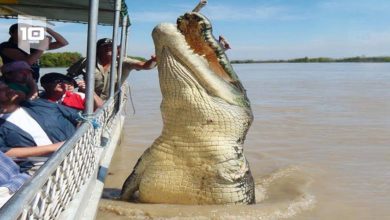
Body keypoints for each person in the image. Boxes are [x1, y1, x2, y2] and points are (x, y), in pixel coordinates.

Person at [0, 81, 80, 171]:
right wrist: (54, 147)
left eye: (7, 87)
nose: (9, 90)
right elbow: (4, 153)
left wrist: (79, 137)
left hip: (76, 155)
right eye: (2, 90)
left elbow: (79, 117)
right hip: (41, 169)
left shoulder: (39, 104)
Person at [67, 38, 157, 100]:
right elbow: (70, 75)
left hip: (111, 102)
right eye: (104, 46)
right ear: (97, 49)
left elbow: (145, 66)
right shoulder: (86, 61)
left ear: (116, 49)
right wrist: (73, 84)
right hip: (88, 99)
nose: (108, 48)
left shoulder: (123, 62)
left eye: (111, 46)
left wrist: (153, 60)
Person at [0, 23, 68, 81]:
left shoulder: (31, 45)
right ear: (11, 33)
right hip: (14, 82)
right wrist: (43, 45)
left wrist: (47, 29)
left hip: (31, 81)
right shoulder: (5, 46)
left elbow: (63, 43)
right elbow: (27, 62)